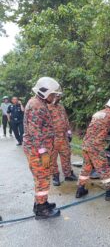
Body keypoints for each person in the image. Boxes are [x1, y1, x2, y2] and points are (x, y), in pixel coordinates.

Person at [23, 77, 62, 219]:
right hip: (37, 150)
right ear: (44, 92)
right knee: (42, 179)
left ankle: (41, 203)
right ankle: (41, 210)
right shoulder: (36, 105)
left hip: (38, 149)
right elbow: (35, 132)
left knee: (43, 178)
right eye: (52, 94)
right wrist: (43, 152)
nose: (54, 96)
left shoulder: (39, 102)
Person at [47, 94, 77, 186]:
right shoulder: (46, 107)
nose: (58, 98)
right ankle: (55, 176)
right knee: (52, 159)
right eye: (56, 96)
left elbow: (66, 120)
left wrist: (69, 132)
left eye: (59, 97)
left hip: (63, 137)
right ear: (51, 96)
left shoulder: (61, 107)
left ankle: (68, 174)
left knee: (66, 155)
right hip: (52, 138)